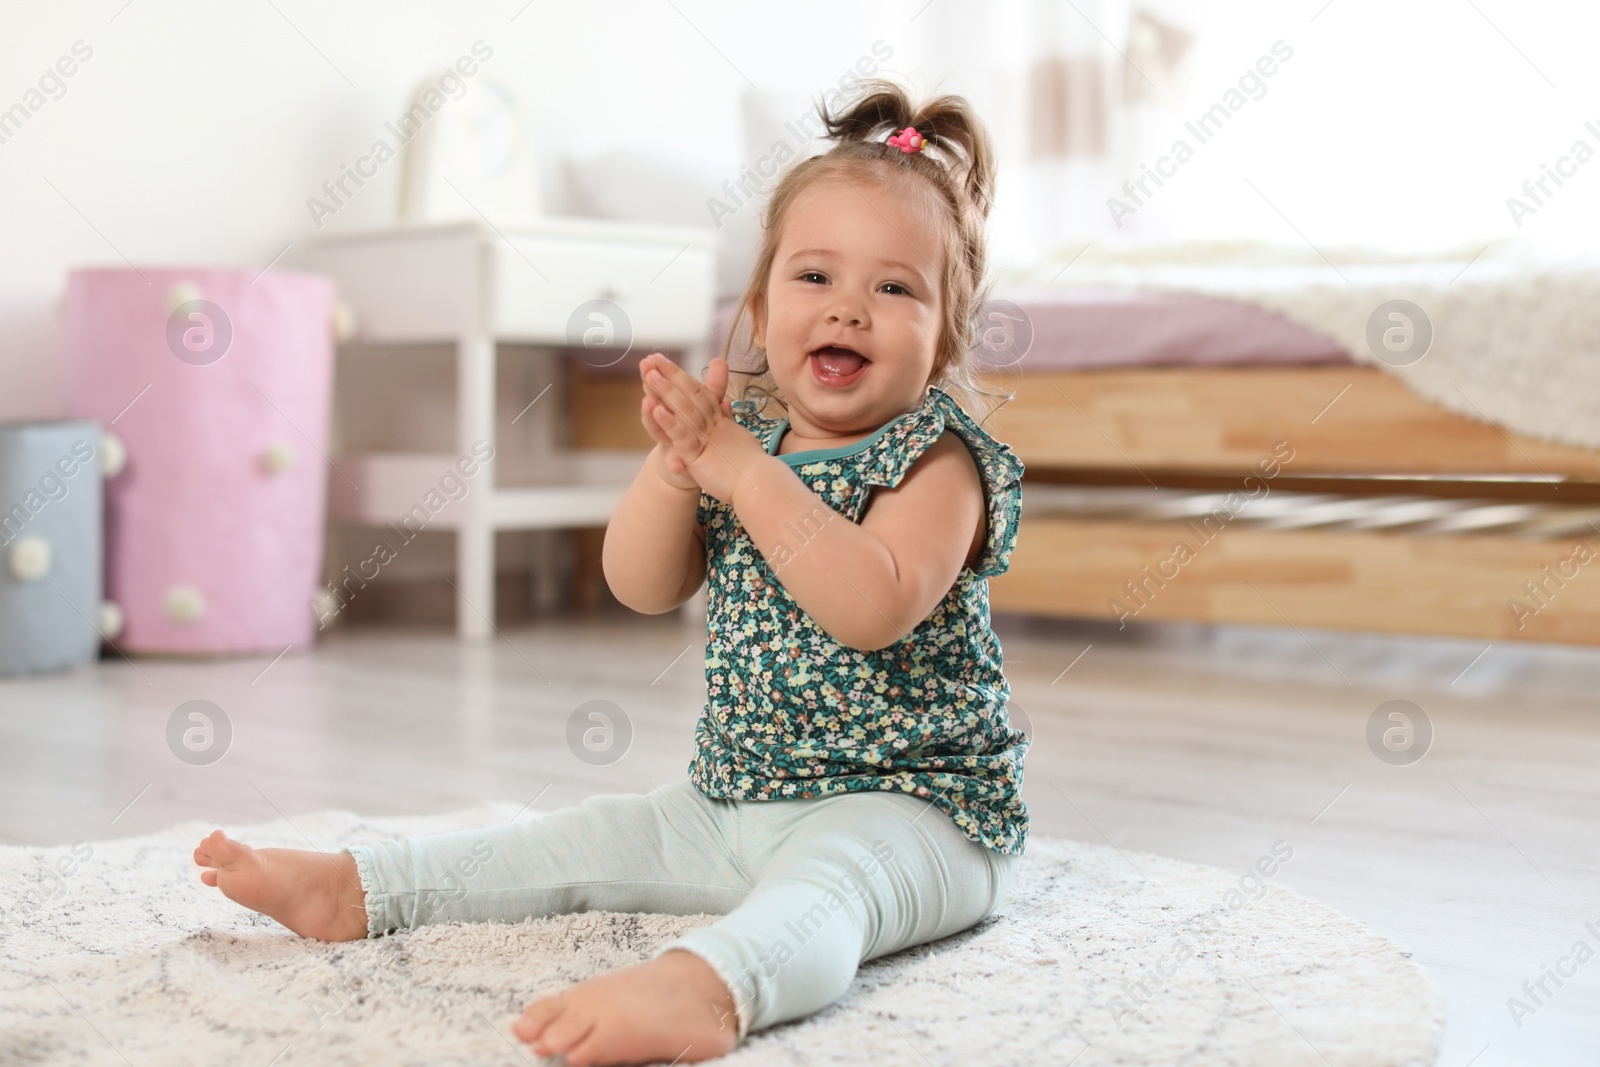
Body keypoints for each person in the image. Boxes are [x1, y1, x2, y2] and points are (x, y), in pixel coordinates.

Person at [193, 77, 1029, 1066]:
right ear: (758, 309)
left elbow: (870, 604)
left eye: (894, 288)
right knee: (579, 838)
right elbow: (641, 581)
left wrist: (740, 471)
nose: (849, 305)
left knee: (827, 894)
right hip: (729, 797)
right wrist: (677, 472)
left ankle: (710, 984)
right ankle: (366, 886)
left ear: (943, 338)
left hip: (914, 813)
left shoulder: (938, 459)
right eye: (814, 277)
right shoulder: (742, 441)